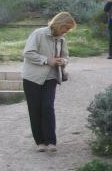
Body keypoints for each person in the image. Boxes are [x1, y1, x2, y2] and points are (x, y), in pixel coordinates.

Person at [22, 12, 76, 151]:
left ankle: (51, 141)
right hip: (32, 78)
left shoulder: (62, 40)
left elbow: (66, 55)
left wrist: (63, 61)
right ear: (59, 24)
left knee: (47, 107)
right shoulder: (38, 33)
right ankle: (40, 142)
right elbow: (28, 52)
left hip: (51, 77)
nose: (66, 31)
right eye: (66, 28)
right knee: (35, 109)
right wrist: (47, 60)